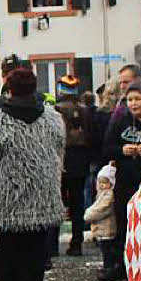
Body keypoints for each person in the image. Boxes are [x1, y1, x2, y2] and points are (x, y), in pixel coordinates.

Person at [0, 67, 65, 281]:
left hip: (9, 194)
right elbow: (59, 152)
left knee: (7, 246)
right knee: (36, 248)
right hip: (42, 193)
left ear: (9, 88)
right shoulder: (52, 118)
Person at [101, 80, 141, 281]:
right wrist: (122, 151)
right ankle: (122, 265)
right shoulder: (120, 121)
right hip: (125, 180)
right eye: (129, 99)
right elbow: (106, 148)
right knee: (123, 224)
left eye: (137, 99)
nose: (133, 104)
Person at [54, 74, 94, 255]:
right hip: (80, 161)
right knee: (77, 203)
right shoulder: (86, 110)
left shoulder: (55, 110)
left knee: (56, 203)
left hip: (59, 161)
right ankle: (76, 242)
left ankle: (51, 247)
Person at [84, 164, 117, 275]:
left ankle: (108, 267)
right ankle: (107, 266)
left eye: (105, 183)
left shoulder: (108, 196)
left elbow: (101, 209)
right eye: (100, 182)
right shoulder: (102, 194)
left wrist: (88, 214)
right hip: (102, 229)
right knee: (105, 250)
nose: (102, 185)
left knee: (107, 250)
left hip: (107, 229)